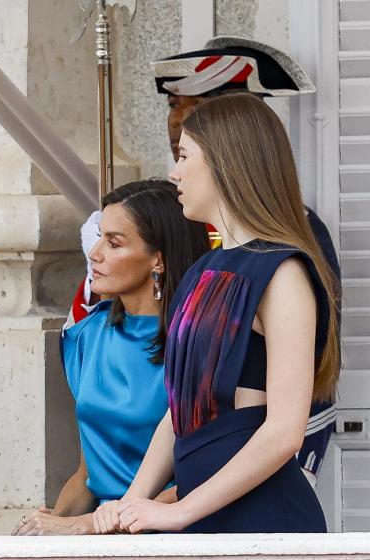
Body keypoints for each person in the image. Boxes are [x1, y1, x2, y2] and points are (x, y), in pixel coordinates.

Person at [68, 36, 339, 486]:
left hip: (252, 464)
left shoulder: (294, 238)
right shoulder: (173, 218)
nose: (177, 121)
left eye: (191, 108)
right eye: (175, 106)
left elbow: (301, 365)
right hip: (178, 452)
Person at [13, 180, 209, 536]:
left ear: (158, 260)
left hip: (177, 538)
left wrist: (84, 526)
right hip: (103, 539)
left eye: (114, 243)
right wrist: (51, 523)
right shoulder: (85, 336)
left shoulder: (201, 342)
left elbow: (205, 479)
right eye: (100, 236)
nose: (95, 253)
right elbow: (88, 473)